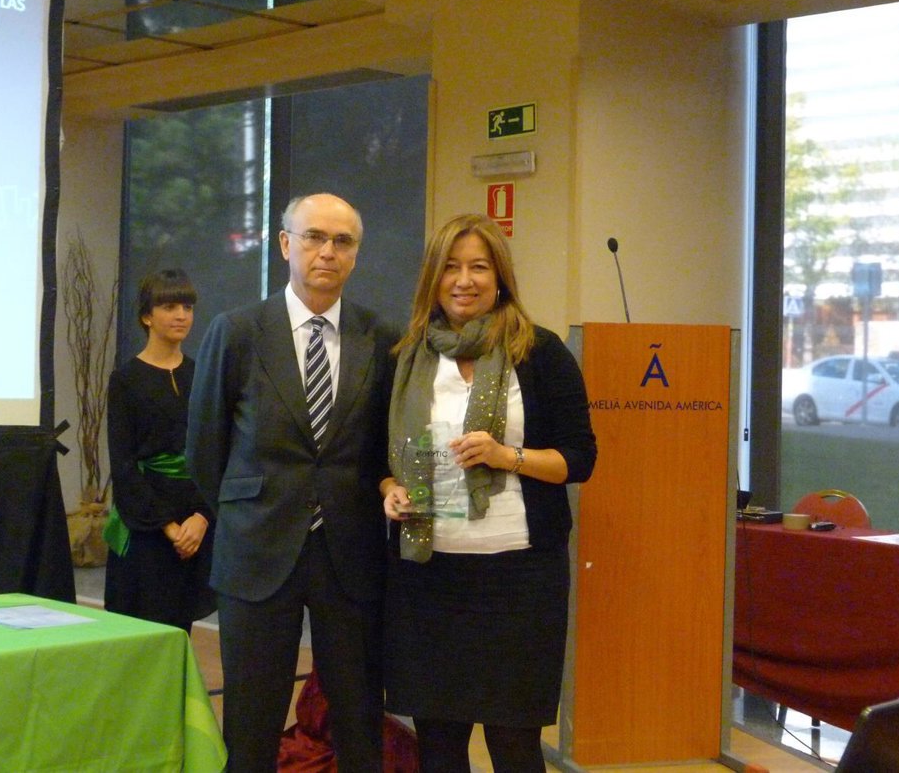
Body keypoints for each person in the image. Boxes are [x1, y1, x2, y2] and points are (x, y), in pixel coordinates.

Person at [186, 193, 397, 773]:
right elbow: (203, 449)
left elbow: (386, 444)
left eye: (342, 241)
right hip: (257, 552)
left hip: (350, 553)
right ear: (285, 244)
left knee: (358, 720)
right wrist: (252, 510)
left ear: (356, 254)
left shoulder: (382, 337)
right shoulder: (238, 332)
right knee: (251, 724)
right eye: (314, 237)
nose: (328, 252)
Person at [380, 213, 597, 773]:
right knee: (439, 744)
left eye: (478, 267)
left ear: (500, 277)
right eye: (450, 267)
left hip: (520, 577)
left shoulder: (541, 352)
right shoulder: (407, 356)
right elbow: (376, 460)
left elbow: (580, 458)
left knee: (514, 743)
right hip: (428, 574)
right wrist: (390, 489)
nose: (464, 280)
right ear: (433, 278)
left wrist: (508, 457)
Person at [103, 268, 215, 633]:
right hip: (146, 523)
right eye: (169, 307)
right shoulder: (125, 380)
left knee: (180, 630)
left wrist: (201, 517)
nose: (182, 315)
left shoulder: (202, 374)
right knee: (141, 634)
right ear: (147, 316)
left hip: (194, 518)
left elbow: (216, 452)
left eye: (187, 307)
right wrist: (168, 527)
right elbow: (123, 465)